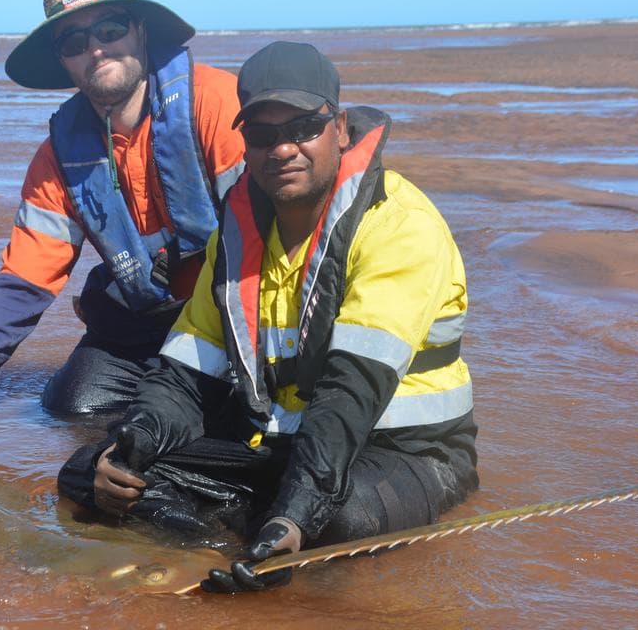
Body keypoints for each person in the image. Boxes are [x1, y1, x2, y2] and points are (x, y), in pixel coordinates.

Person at [57, 41, 479, 592]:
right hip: (282, 444)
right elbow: (186, 373)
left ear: (341, 128)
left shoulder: (400, 227)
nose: (282, 148)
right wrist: (135, 442)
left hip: (407, 452)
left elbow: (351, 394)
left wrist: (298, 513)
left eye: (303, 127)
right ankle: (230, 549)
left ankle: (262, 533)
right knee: (89, 473)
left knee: (338, 521)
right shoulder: (235, 235)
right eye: (261, 134)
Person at [0, 0, 244, 445]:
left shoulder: (218, 105)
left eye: (110, 29)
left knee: (220, 425)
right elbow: (25, 276)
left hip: (232, 316)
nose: (97, 50)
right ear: (62, 60)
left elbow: (281, 241)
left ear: (141, 32)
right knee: (68, 410)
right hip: (142, 324)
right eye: (75, 41)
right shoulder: (60, 155)